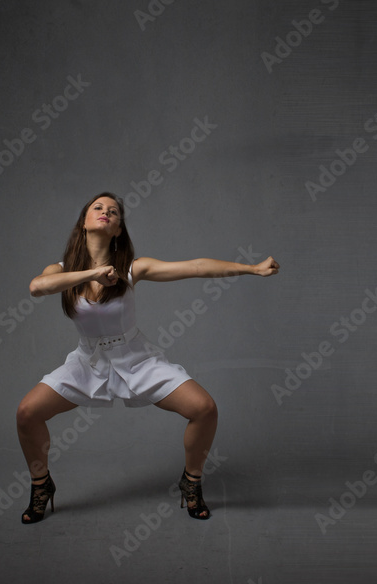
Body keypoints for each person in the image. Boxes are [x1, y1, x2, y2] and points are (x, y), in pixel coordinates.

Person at [15, 192, 279, 524]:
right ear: (83, 222)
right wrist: (90, 275)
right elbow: (38, 287)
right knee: (27, 414)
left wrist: (252, 269)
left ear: (117, 230)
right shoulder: (61, 270)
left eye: (113, 212)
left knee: (204, 409)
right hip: (87, 362)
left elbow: (195, 267)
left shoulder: (131, 269)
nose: (106, 212)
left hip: (136, 358)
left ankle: (192, 482)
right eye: (98, 207)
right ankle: (42, 485)